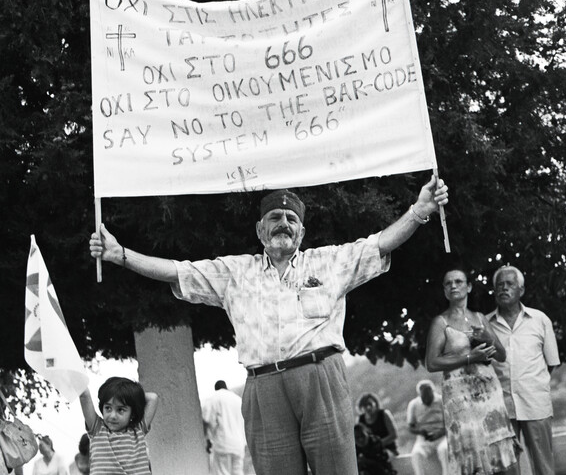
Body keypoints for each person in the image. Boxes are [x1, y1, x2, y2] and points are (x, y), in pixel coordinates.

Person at [89, 176, 449, 475]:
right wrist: (121, 255)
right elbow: (178, 270)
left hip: (321, 378)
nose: (284, 224)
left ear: (302, 231)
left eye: (291, 219)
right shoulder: (234, 272)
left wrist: (420, 210)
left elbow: (380, 244)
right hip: (264, 388)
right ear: (260, 230)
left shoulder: (329, 262)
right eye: (275, 217)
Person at [426, 267, 519, 475]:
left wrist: (487, 338)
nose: (453, 286)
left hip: (489, 395)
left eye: (458, 281)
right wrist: (470, 357)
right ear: (444, 291)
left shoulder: (479, 317)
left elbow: (501, 355)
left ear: (468, 287)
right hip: (460, 400)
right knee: (471, 455)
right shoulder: (440, 322)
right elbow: (431, 363)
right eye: (448, 283)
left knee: (501, 456)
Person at [487, 265, 560, 475]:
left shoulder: (540, 320)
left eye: (510, 284)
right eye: (499, 285)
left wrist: (529, 383)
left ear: (521, 290)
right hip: (500, 408)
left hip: (535, 403)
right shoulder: (486, 324)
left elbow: (551, 362)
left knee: (543, 466)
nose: (504, 288)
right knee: (506, 469)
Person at [78, 377, 159, 475]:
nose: (112, 416)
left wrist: (132, 397)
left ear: (132, 413)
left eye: (120, 410)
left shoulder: (138, 430)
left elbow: (153, 398)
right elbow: (84, 395)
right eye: (108, 408)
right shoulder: (97, 429)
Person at [202, 380, 245, 475]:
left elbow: (208, 420)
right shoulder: (238, 400)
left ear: (216, 389)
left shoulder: (215, 398)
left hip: (223, 444)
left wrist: (208, 440)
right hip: (239, 445)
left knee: (222, 472)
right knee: (238, 472)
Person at [407, 379, 449, 475]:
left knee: (445, 450)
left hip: (442, 435)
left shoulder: (441, 400)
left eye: (428, 396)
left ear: (433, 392)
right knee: (416, 454)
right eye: (423, 397)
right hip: (423, 439)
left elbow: (451, 423)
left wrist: (440, 433)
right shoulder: (413, 404)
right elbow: (410, 427)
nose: (426, 399)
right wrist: (420, 432)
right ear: (419, 395)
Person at [357, 393, 399, 458]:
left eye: (370, 404)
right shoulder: (361, 419)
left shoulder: (384, 414)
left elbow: (393, 435)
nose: (368, 407)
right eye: (365, 405)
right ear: (362, 407)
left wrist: (378, 444)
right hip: (370, 452)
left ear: (375, 404)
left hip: (388, 450)